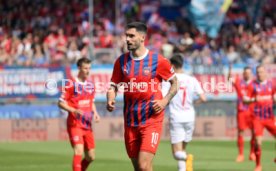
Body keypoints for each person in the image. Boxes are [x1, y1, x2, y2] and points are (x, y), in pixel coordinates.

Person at [106, 22, 178, 171]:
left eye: (132, 36)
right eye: (127, 36)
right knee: (140, 168)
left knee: (143, 166)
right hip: (131, 122)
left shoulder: (158, 61)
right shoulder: (121, 61)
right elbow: (113, 85)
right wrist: (110, 97)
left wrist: (165, 101)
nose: (127, 39)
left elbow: (175, 84)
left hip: (151, 120)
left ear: (142, 38)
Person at [162, 54, 206, 171]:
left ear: (173, 65)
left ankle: (188, 158)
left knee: (177, 153)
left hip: (176, 117)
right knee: (182, 149)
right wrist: (193, 103)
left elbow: (163, 98)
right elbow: (203, 98)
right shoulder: (192, 79)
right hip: (190, 117)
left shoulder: (170, 80)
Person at [58, 57, 100, 171]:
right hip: (75, 124)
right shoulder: (71, 83)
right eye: (85, 68)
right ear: (79, 68)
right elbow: (60, 103)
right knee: (79, 151)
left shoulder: (91, 85)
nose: (88, 71)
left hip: (87, 125)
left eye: (89, 68)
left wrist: (95, 113)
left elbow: (91, 102)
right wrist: (73, 110)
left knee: (91, 157)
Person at [244, 65, 276, 171]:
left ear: (265, 73)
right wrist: (253, 100)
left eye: (261, 72)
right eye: (257, 72)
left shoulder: (272, 83)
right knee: (258, 142)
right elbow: (245, 100)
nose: (259, 74)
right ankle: (258, 165)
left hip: (270, 117)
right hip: (257, 118)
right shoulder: (252, 85)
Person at [228, 65, 256, 162]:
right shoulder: (239, 82)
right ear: (243, 74)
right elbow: (229, 80)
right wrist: (230, 71)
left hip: (253, 111)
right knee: (241, 132)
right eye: (246, 73)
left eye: (249, 73)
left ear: (251, 74)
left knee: (255, 133)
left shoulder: (255, 83)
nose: (247, 74)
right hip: (241, 111)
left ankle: (252, 153)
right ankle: (240, 154)